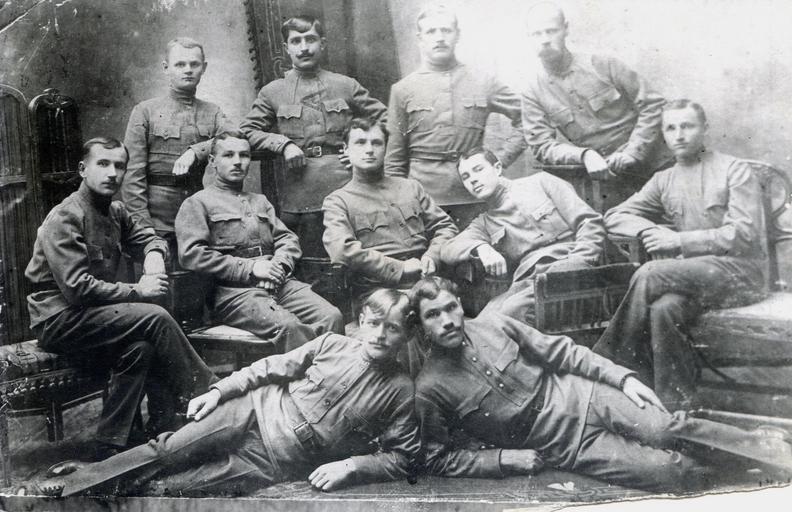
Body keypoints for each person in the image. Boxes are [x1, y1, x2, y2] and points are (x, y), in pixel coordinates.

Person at [27, 289, 420, 498]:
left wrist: (352, 466)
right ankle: (70, 488)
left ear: (407, 335)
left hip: (274, 461)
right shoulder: (331, 344)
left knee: (175, 488)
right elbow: (267, 368)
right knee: (167, 453)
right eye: (374, 323)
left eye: (393, 329)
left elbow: (403, 458)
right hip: (250, 411)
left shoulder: (401, 390)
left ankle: (90, 477)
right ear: (361, 321)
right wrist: (218, 391)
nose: (380, 335)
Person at [411, 277, 792, 492]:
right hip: (565, 444)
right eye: (433, 315)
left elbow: (562, 352)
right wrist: (501, 459)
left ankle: (771, 452)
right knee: (671, 473)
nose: (448, 321)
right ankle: (749, 464)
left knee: (666, 427)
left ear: (460, 304)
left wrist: (621, 378)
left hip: (586, 394)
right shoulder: (429, 388)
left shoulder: (495, 323)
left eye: (451, 307)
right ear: (421, 326)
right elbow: (436, 457)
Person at [24, 137, 217, 458]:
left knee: (139, 349)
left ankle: (113, 444)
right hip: (59, 319)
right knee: (154, 316)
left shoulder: (115, 211)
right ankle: (209, 392)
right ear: (83, 169)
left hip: (92, 315)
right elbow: (77, 289)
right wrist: (139, 290)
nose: (112, 173)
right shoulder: (66, 216)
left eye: (119, 166)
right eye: (103, 164)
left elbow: (150, 239)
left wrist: (153, 255)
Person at [592, 100, 767, 408]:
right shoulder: (664, 179)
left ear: (704, 129)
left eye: (687, 126)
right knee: (663, 308)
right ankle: (675, 407)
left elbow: (744, 234)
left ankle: (605, 367)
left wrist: (678, 241)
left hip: (741, 274)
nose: (679, 135)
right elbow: (615, 215)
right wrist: (649, 232)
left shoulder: (734, 169)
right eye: (670, 128)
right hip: (697, 279)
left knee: (651, 273)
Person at [175, 130, 343, 353]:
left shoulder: (260, 201)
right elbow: (191, 255)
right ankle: (308, 375)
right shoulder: (197, 203)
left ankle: (333, 373)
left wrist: (278, 267)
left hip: (279, 285)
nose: (238, 162)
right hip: (234, 294)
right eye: (229, 155)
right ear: (213, 161)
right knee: (290, 328)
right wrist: (251, 268)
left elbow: (287, 239)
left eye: (244, 155)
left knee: (332, 316)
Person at [240, 15, 387, 257]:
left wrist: (360, 151)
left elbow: (386, 121)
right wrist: (284, 144)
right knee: (311, 259)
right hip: (301, 192)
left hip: (348, 185)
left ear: (323, 43)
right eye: (296, 41)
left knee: (358, 256)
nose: (304, 48)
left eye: (310, 39)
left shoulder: (346, 85)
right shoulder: (273, 92)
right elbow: (246, 131)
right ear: (286, 48)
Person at [520, 2, 671, 212]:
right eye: (537, 33)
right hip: (610, 179)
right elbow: (542, 146)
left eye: (551, 31)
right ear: (528, 37)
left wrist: (633, 151)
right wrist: (584, 155)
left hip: (655, 164)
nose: (545, 39)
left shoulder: (603, 63)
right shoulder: (533, 91)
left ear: (566, 29)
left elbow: (653, 104)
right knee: (621, 227)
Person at [384, 5, 526, 227]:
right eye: (431, 31)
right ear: (420, 39)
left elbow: (529, 119)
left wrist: (497, 161)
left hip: (475, 195)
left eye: (446, 30)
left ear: (457, 35)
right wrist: (400, 202)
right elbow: (394, 159)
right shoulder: (403, 89)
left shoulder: (482, 81)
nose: (439, 37)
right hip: (424, 199)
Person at [441, 148, 604, 324]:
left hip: (570, 267)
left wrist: (580, 261)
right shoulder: (484, 222)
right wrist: (481, 248)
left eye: (478, 169)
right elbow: (448, 249)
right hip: (527, 283)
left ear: (497, 168)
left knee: (504, 318)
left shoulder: (541, 182)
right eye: (465, 177)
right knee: (481, 324)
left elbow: (589, 222)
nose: (473, 179)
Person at [322, 117, 458, 305]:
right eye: (360, 142)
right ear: (345, 149)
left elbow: (445, 226)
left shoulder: (411, 187)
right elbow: (342, 251)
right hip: (378, 289)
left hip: (425, 279)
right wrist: (399, 268)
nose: (369, 149)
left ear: (385, 148)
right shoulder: (338, 201)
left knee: (448, 308)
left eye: (377, 143)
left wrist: (432, 255)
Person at [121, 37, 235, 260]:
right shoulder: (145, 111)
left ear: (204, 68)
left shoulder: (212, 112)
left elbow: (236, 137)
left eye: (194, 64)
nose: (188, 70)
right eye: (180, 64)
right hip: (157, 220)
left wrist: (196, 151)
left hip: (199, 215)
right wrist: (143, 226)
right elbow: (132, 174)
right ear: (166, 68)